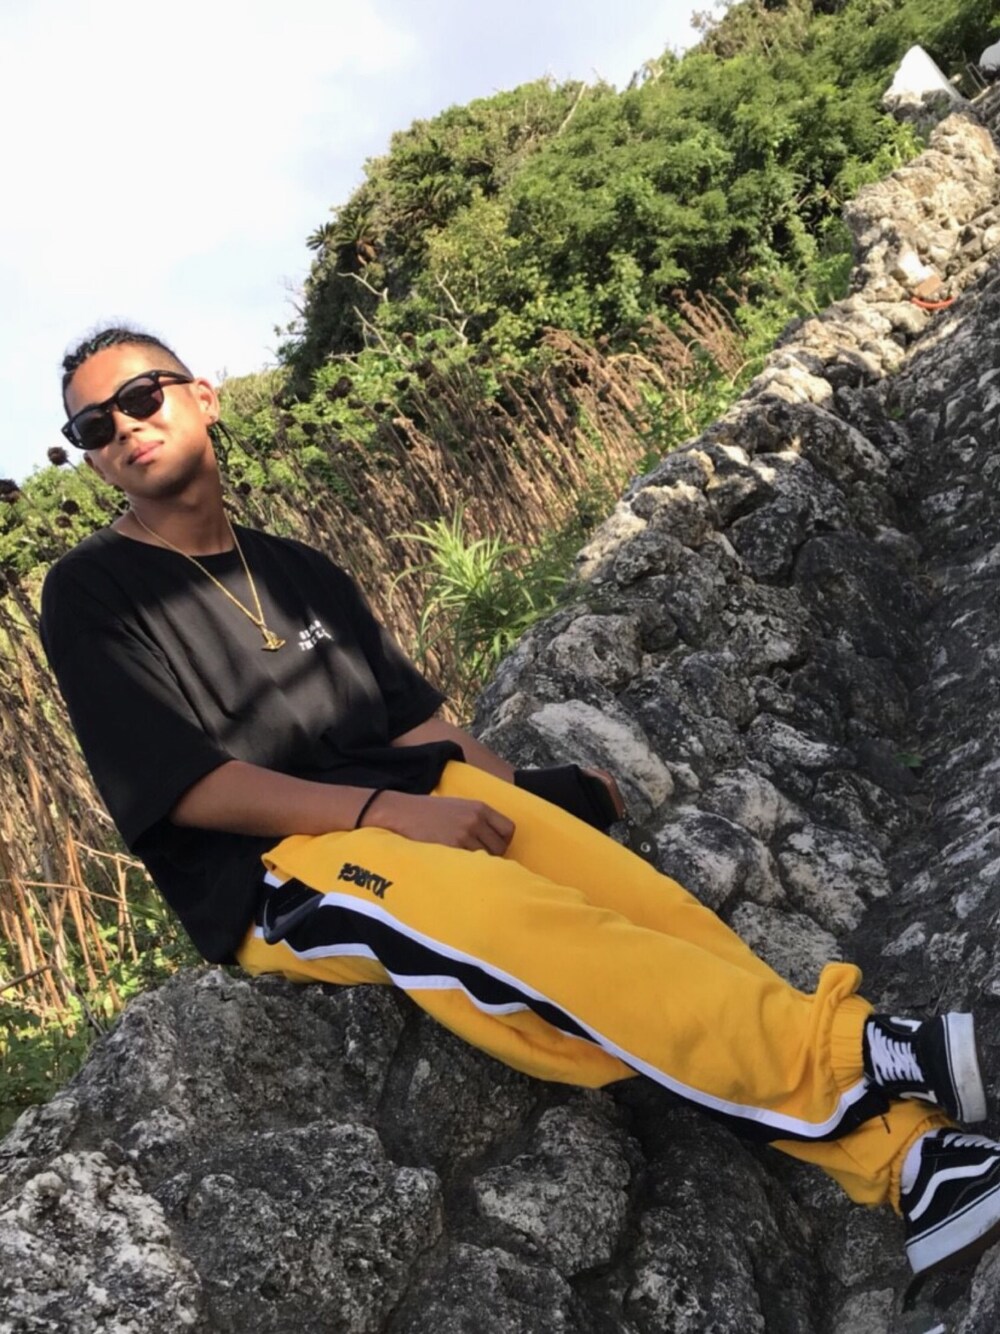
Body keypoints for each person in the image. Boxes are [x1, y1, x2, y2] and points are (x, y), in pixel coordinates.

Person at [40, 326, 1000, 1280]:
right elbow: (189, 787)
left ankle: (921, 1162)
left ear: (202, 397)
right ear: (90, 458)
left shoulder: (295, 568)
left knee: (655, 915)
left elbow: (417, 725)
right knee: (545, 944)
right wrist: (384, 815)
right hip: (285, 867)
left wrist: (529, 803)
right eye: (94, 426)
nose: (124, 428)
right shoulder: (91, 592)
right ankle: (859, 1050)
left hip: (414, 798)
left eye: (141, 397)